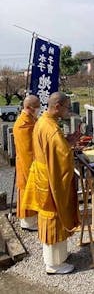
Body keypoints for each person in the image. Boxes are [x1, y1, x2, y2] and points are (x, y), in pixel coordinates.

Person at [22, 92, 80, 274]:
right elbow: (61, 158)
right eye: (67, 107)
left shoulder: (43, 121)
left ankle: (59, 257)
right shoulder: (52, 129)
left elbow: (55, 148)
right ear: (57, 106)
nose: (67, 111)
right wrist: (70, 151)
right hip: (51, 180)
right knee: (53, 218)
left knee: (50, 217)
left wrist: (67, 141)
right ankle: (54, 264)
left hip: (42, 176)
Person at [13, 95, 40, 230]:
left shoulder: (30, 120)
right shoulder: (22, 124)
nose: (38, 109)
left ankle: (31, 220)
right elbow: (27, 151)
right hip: (26, 164)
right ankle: (29, 223)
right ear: (29, 107)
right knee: (27, 191)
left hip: (29, 162)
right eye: (37, 107)